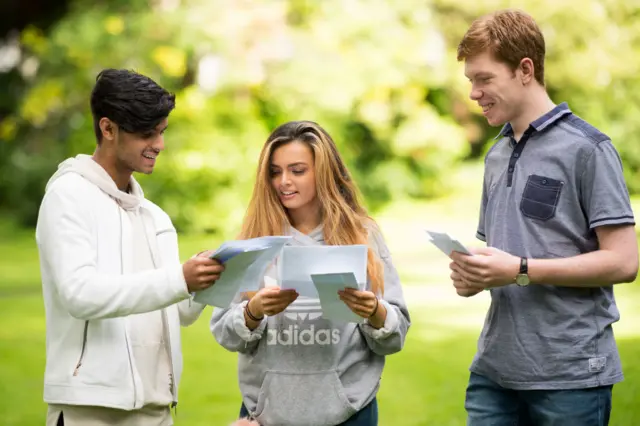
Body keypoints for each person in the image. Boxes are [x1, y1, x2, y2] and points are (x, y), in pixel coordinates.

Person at [450, 9, 639, 426]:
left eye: (484, 79)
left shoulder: (588, 150)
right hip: (493, 373)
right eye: (471, 82)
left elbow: (625, 263)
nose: (474, 93)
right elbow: (506, 255)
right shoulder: (496, 154)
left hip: (569, 377)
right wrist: (475, 274)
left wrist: (519, 269)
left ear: (525, 69)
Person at [36, 68, 224, 426]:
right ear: (108, 129)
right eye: (146, 133)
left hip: (155, 410)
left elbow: (179, 311)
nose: (159, 144)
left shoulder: (156, 218)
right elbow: (80, 294)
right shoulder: (67, 196)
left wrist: (206, 278)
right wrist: (179, 278)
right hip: (88, 410)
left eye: (162, 132)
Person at [210, 121, 410, 426]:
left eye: (297, 170)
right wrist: (253, 311)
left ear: (323, 171)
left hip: (350, 413)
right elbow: (224, 331)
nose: (283, 182)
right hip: (266, 416)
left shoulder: (362, 235)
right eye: (275, 172)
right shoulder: (253, 240)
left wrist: (375, 312)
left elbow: (395, 335)